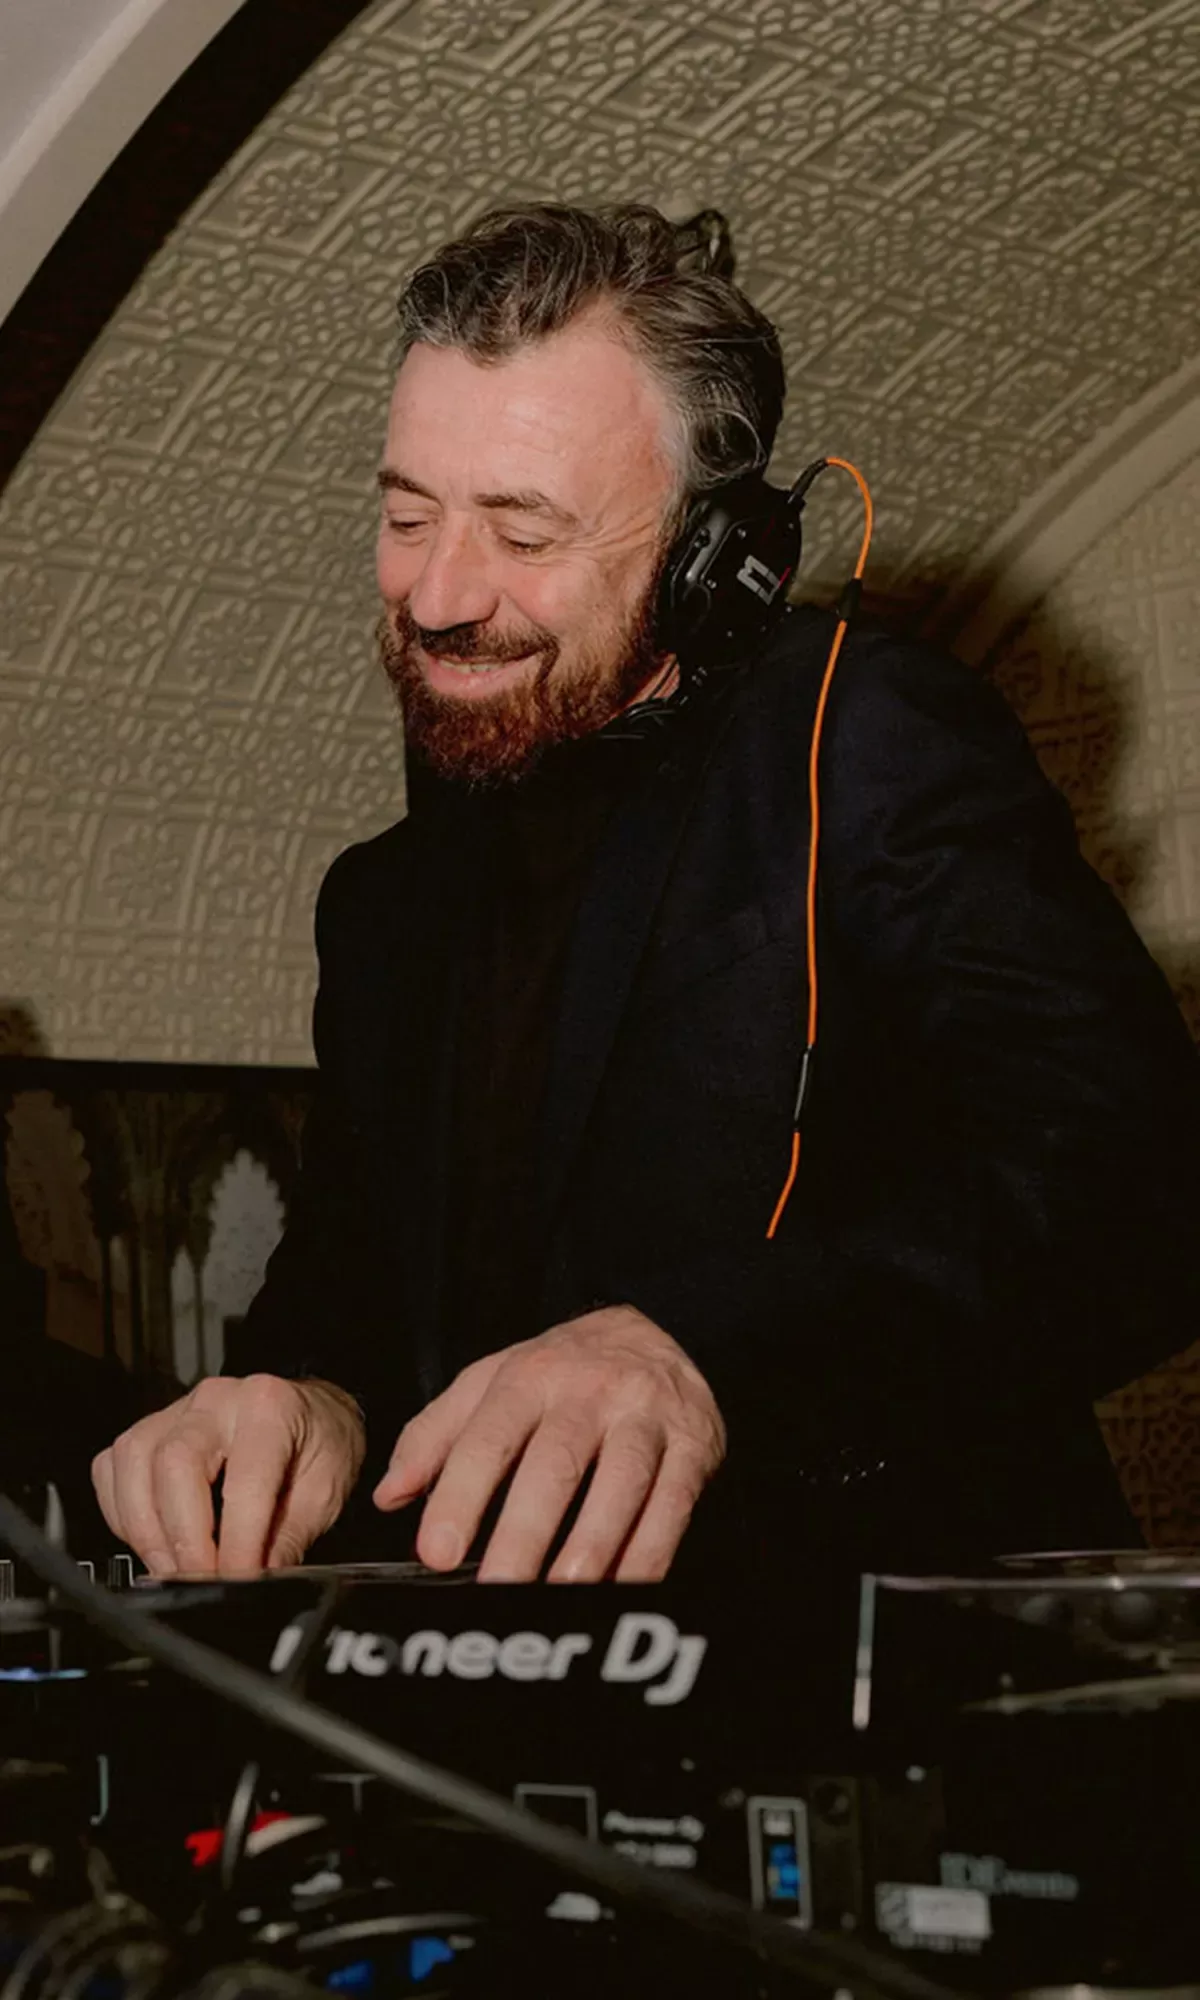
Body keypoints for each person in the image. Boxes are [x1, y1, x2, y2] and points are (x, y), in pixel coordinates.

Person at [92, 203, 1200, 1584]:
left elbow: (1142, 1185)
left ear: (711, 553)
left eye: (522, 529)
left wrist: (699, 1352)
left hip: (895, 1690)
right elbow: (353, 1295)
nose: (437, 592)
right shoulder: (383, 905)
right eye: (406, 513)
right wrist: (302, 1402)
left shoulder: (863, 741)